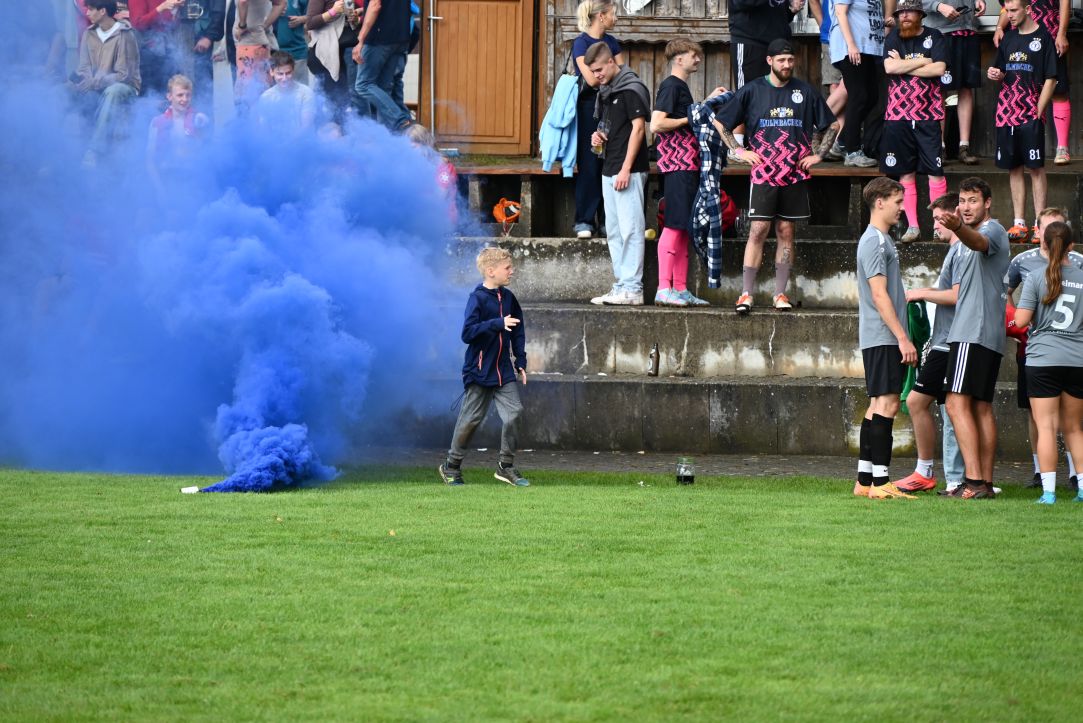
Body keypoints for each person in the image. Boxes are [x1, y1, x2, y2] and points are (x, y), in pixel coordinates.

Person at [715, 38, 838, 314]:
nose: (787, 64)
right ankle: (746, 294)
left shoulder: (805, 91)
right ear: (769, 61)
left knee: (786, 231)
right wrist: (739, 151)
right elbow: (720, 122)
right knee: (758, 229)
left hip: (794, 174)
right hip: (764, 174)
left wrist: (818, 155)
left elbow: (832, 125)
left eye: (790, 60)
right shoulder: (752, 90)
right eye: (781, 60)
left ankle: (780, 294)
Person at [936, 176, 1010, 499]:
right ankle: (984, 485)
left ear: (987, 203)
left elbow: (979, 243)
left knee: (955, 403)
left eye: (973, 200)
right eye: (962, 201)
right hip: (983, 332)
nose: (966, 207)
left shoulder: (992, 230)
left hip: (973, 331)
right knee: (980, 407)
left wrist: (958, 228)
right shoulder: (964, 241)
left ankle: (974, 481)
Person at [438, 247, 530, 488]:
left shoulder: (509, 298)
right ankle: (451, 466)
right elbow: (467, 333)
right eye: (507, 268)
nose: (512, 271)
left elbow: (518, 331)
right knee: (470, 420)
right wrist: (497, 323)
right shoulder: (476, 299)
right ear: (491, 271)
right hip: (479, 371)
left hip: (504, 371)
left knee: (515, 413)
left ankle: (505, 466)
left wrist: (520, 361)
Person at [1005, 207, 1082, 489]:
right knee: (1075, 428)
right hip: (1077, 358)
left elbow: (1021, 321)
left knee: (1046, 427)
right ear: (1071, 245)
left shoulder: (1037, 276)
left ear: (1044, 243)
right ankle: (1082, 487)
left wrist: (1013, 319)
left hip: (1042, 358)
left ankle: (1048, 491)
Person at [893, 193, 965, 493]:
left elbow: (957, 296)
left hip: (949, 342)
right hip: (945, 340)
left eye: (938, 219)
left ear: (953, 216)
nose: (934, 226)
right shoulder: (956, 250)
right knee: (951, 408)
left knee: (921, 402)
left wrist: (920, 293)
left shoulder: (961, 250)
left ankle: (935, 473)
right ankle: (958, 478)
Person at [854, 176, 919, 499]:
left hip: (877, 335)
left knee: (876, 404)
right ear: (879, 202)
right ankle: (881, 483)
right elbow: (879, 294)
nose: (902, 208)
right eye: (898, 201)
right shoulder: (876, 242)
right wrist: (903, 338)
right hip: (883, 335)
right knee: (888, 403)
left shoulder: (879, 240)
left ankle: (865, 480)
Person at [650, 38, 723, 308]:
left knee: (684, 228)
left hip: (688, 165)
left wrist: (705, 104)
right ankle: (663, 288)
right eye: (694, 55)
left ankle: (680, 288)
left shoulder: (680, 87)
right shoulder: (671, 86)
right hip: (677, 166)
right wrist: (692, 117)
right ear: (679, 59)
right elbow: (656, 124)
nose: (698, 59)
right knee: (673, 226)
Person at [584, 41, 650, 306]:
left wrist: (625, 168)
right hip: (609, 167)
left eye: (599, 70)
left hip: (628, 171)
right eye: (593, 72)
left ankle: (633, 288)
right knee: (613, 230)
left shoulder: (632, 88)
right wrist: (598, 137)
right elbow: (609, 129)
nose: (596, 76)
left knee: (631, 230)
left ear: (611, 61)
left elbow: (639, 130)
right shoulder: (605, 92)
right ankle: (621, 284)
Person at [987, 0, 1057, 243]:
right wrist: (995, 73)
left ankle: (1040, 224)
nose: (1010, 15)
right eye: (1007, 11)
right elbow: (1001, 71)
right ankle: (1019, 224)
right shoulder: (1008, 38)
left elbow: (1051, 78)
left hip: (1030, 113)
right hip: (1006, 112)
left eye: (1014, 10)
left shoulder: (1044, 37)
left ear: (1028, 9)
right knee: (1014, 166)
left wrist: (1038, 111)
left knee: (1036, 168)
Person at [881, 0, 948, 244]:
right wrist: (924, 61)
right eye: (901, 13)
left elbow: (939, 69)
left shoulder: (935, 36)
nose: (905, 16)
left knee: (935, 172)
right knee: (905, 173)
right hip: (897, 116)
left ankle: (940, 226)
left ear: (920, 14)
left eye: (910, 11)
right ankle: (913, 226)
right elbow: (890, 68)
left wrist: (904, 65)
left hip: (928, 115)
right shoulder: (893, 37)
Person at [726, 0, 805, 164]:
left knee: (771, 96)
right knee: (745, 93)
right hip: (749, 41)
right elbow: (744, 3)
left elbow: (776, 13)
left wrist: (791, 10)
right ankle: (736, 147)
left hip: (775, 45)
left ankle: (765, 144)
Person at [995, 0, 1071, 165]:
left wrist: (1062, 32)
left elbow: (1065, 1)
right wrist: (999, 27)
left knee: (1058, 89)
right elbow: (1007, 7)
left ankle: (1062, 147)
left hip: (1051, 34)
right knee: (1020, 87)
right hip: (1019, 40)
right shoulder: (1013, 20)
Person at [570, 0, 623, 239]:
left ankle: (607, 221)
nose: (616, 18)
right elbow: (592, 80)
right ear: (601, 16)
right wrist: (608, 74)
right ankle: (584, 220)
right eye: (613, 14)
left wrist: (608, 76)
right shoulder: (581, 43)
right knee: (590, 163)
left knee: (610, 162)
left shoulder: (612, 42)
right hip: (589, 108)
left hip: (613, 106)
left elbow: (622, 75)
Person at [69, 0, 141, 168]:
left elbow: (123, 75)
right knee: (62, 90)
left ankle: (94, 150)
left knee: (113, 91)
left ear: (103, 11)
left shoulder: (125, 34)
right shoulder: (89, 33)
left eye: (90, 9)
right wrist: (82, 80)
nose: (87, 13)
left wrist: (93, 82)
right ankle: (52, 149)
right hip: (97, 84)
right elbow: (84, 67)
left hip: (126, 86)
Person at [924, 0, 984, 165]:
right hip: (940, 32)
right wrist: (938, 6)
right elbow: (911, 3)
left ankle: (964, 147)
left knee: (966, 88)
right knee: (939, 90)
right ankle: (939, 148)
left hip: (968, 30)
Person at [830, 0, 888, 168]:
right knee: (859, 96)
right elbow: (840, 12)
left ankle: (842, 142)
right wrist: (851, 44)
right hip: (852, 48)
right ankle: (852, 151)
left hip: (868, 48)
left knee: (872, 97)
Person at [351, 0, 413, 131]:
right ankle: (388, 136)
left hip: (379, 38)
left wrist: (361, 39)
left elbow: (375, 5)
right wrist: (364, 10)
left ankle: (401, 120)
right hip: (400, 37)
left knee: (363, 84)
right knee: (383, 89)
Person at [146, 74, 209, 198]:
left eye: (188, 95)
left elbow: (205, 157)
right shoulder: (156, 123)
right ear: (170, 96)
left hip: (192, 182)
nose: (184, 99)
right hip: (166, 179)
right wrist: (160, 191)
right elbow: (150, 161)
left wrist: (203, 129)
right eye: (180, 95)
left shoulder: (198, 120)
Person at [306, 0, 361, 123]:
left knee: (345, 99)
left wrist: (354, 19)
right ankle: (327, 128)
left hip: (346, 53)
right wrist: (333, 11)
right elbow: (310, 23)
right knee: (328, 99)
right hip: (325, 55)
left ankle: (342, 128)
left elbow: (355, 24)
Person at [808, 0, 847, 160]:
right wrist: (824, 24)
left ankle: (833, 141)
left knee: (847, 87)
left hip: (859, 36)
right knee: (836, 86)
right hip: (833, 35)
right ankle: (835, 143)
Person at [232, 0, 286, 115]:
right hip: (260, 43)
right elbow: (280, 3)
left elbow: (243, 1)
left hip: (249, 44)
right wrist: (264, 26)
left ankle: (250, 124)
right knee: (263, 88)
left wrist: (242, 25)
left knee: (248, 94)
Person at [257, 50, 316, 131]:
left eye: (288, 73)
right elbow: (263, 129)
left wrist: (287, 140)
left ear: (293, 70)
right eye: (280, 74)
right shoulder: (266, 97)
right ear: (271, 72)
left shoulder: (305, 93)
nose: (284, 79)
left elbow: (306, 128)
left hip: (302, 138)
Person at [275, 0, 309, 84]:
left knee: (300, 88)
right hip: (273, 52)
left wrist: (301, 19)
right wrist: (274, 11)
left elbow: (314, 14)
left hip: (297, 51)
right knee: (277, 89)